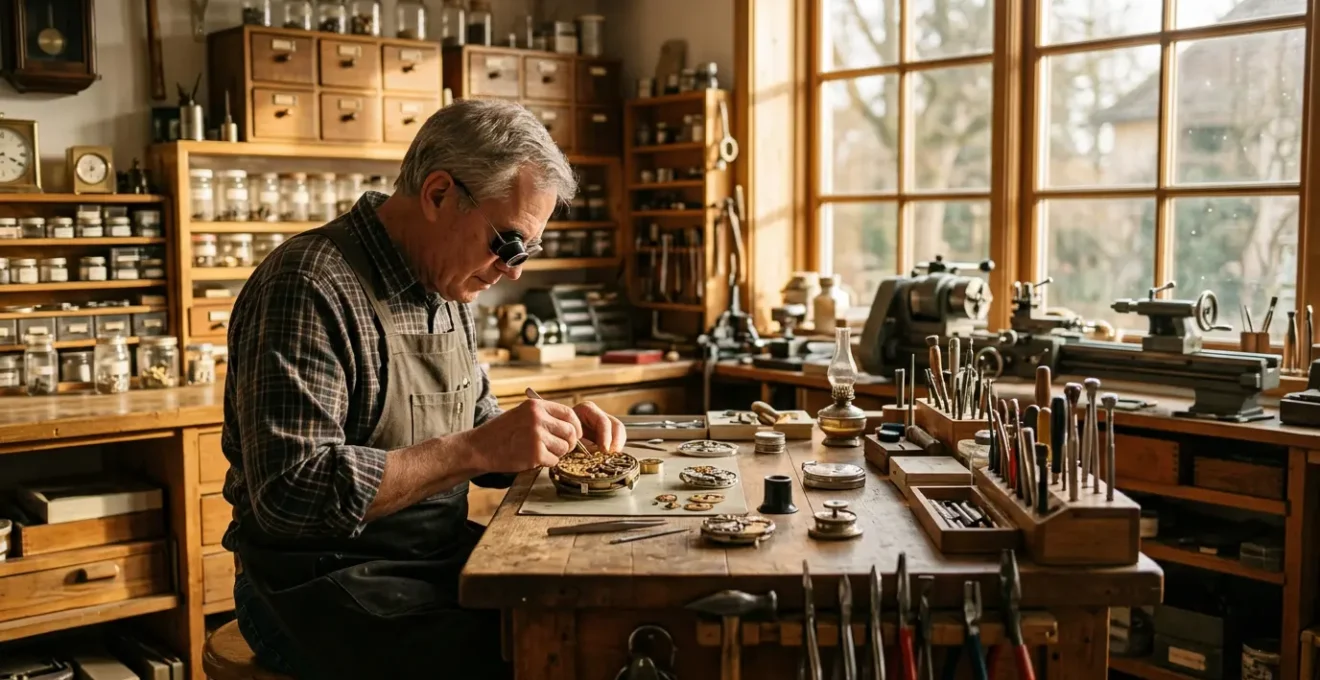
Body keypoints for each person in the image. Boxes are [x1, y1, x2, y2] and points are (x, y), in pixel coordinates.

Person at [220, 99, 626, 679]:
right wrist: (479, 449)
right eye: (508, 244)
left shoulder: (445, 283)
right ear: (438, 195)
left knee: (584, 614)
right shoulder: (308, 285)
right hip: (316, 584)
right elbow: (292, 495)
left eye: (527, 252)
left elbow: (479, 430)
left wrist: (552, 438)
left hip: (425, 560)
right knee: (533, 654)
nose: (513, 271)